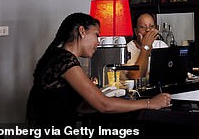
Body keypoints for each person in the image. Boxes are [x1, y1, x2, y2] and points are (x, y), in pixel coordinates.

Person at [26, 12, 170, 127]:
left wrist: (115, 102)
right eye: (96, 35)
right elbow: (103, 105)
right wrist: (150, 103)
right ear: (82, 31)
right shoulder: (65, 60)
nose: (98, 41)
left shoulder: (60, 57)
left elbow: (81, 107)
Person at [126, 12, 168, 80]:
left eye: (151, 26)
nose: (148, 30)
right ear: (136, 31)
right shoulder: (128, 49)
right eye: (143, 27)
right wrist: (145, 48)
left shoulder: (161, 45)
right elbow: (136, 76)